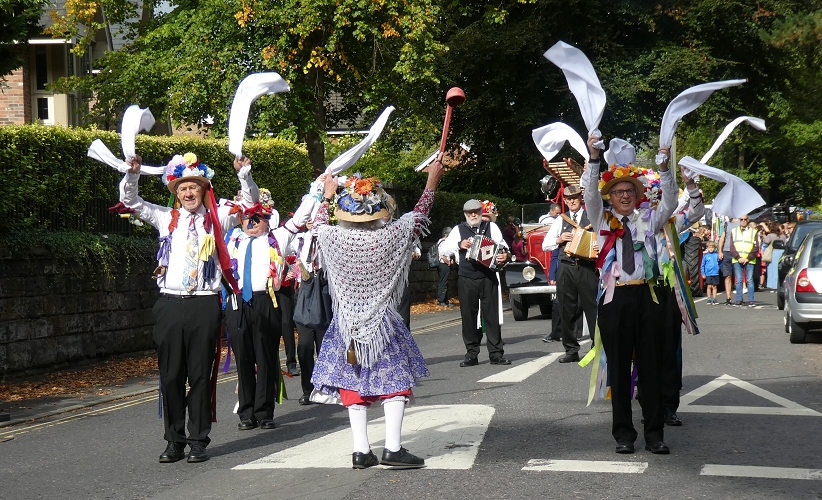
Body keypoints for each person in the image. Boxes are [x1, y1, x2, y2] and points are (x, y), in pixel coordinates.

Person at [310, 161, 445, 469]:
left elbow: (316, 224)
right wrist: (432, 182)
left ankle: (361, 451)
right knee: (394, 381)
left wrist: (326, 195)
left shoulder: (332, 237)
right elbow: (419, 216)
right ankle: (393, 449)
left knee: (352, 382)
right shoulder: (390, 236)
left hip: (346, 323)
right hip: (382, 322)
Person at [122, 153, 241, 464]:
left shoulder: (218, 217)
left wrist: (244, 174)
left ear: (203, 189)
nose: (188, 193)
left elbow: (250, 203)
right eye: (183, 189)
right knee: (171, 375)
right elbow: (131, 202)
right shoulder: (166, 218)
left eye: (194, 187)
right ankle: (174, 442)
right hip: (170, 304)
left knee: (200, 374)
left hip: (204, 302)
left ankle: (198, 440)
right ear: (176, 193)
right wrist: (132, 174)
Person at [582, 135, 677, 455]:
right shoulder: (602, 219)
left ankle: (654, 434)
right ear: (611, 196)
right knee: (619, 371)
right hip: (615, 299)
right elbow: (590, 195)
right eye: (619, 191)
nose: (624, 195)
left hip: (646, 298)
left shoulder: (649, 219)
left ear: (637, 196)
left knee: (650, 368)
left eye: (629, 191)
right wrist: (594, 159)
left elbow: (670, 202)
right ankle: (624, 434)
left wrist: (664, 169)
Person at [223, 164, 316, 430]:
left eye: (257, 218)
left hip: (267, 301)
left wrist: (317, 191)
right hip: (238, 303)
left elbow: (301, 216)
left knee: (265, 357)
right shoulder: (231, 240)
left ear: (267, 219)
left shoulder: (278, 238)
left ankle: (264, 412)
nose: (251, 223)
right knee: (243, 358)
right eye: (246, 219)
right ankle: (246, 412)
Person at [440, 199, 512, 367]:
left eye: (476, 212)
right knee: (468, 316)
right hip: (466, 278)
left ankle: (496, 354)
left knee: (492, 316)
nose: (473, 215)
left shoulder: (491, 227)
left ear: (481, 212)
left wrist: (505, 255)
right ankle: (471, 354)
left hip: (488, 276)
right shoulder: (458, 230)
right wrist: (459, 245)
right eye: (470, 213)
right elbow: (443, 249)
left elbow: (503, 247)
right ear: (465, 214)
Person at [543, 184, 598, 363]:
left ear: (581, 199)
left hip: (587, 267)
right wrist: (559, 239)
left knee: (592, 308)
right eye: (569, 199)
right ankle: (571, 350)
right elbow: (546, 244)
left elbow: (603, 239)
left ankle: (597, 347)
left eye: (575, 198)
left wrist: (597, 246)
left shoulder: (592, 217)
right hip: (566, 267)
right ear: (565, 201)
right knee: (567, 309)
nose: (572, 201)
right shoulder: (561, 220)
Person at [292, 219, 328, 405]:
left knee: (324, 346)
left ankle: (326, 387)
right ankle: (308, 390)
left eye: (315, 216)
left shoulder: (329, 237)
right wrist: (289, 270)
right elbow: (282, 256)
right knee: (305, 346)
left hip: (323, 291)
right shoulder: (297, 239)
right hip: (304, 293)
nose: (310, 221)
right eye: (308, 217)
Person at [730, 215, 759, 307]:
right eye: (741, 219)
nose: (743, 221)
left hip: (749, 260)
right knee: (739, 280)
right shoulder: (734, 231)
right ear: (739, 220)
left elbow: (756, 247)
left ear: (748, 220)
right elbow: (732, 247)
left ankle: (751, 300)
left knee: (750, 280)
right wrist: (738, 257)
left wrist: (748, 258)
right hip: (737, 259)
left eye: (745, 219)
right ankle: (739, 300)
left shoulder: (754, 232)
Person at [718, 217, 740, 305]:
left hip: (737, 251)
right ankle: (728, 298)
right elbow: (722, 238)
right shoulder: (727, 224)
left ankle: (739, 298)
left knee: (738, 276)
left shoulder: (741, 223)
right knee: (727, 276)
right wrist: (720, 251)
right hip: (727, 251)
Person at [436, 227, 454, 308]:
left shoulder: (441, 241)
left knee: (445, 282)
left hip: (443, 264)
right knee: (443, 282)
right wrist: (448, 262)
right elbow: (442, 256)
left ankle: (445, 300)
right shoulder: (444, 242)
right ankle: (441, 300)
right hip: (443, 264)